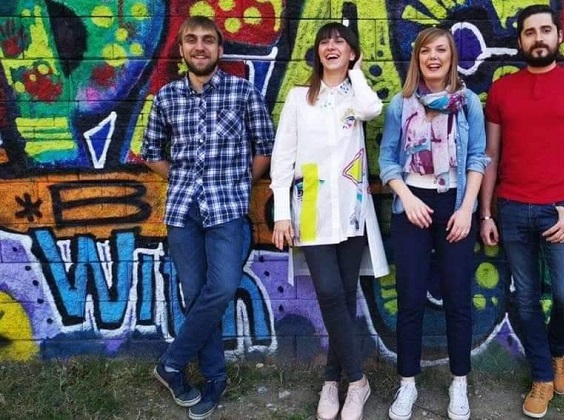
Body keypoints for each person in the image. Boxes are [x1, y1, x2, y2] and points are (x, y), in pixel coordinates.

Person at [140, 16, 274, 420]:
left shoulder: (242, 92)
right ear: (181, 49)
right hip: (182, 212)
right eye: (192, 40)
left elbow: (264, 148)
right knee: (196, 295)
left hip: (227, 210)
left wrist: (237, 183)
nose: (200, 47)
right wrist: (184, 178)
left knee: (222, 287)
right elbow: (152, 152)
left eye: (208, 40)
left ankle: (171, 363)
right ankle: (215, 378)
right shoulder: (166, 97)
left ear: (219, 48)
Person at [479, 4, 564, 419]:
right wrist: (486, 213)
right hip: (513, 209)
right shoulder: (502, 91)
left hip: (562, 212)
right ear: (520, 40)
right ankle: (541, 376)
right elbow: (491, 156)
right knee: (526, 299)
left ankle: (556, 352)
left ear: (558, 36)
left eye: (545, 30)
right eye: (530, 32)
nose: (538, 38)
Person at [270, 22, 388, 420]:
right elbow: (282, 159)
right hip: (312, 210)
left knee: (345, 296)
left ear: (352, 53)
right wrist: (282, 214)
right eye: (325, 42)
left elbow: (373, 109)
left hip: (352, 212)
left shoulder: (356, 96)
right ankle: (358, 381)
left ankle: (330, 381)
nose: (331, 47)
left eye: (340, 42)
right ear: (317, 52)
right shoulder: (298, 97)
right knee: (330, 294)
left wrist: (356, 71)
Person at [379, 27, 489, 420]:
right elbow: (387, 160)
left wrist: (467, 209)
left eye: (441, 50)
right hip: (412, 204)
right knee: (409, 297)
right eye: (426, 51)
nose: (433, 57)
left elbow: (477, 157)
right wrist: (407, 198)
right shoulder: (401, 104)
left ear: (451, 57)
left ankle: (459, 382)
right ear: (417, 58)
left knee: (458, 296)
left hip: (456, 204)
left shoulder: (468, 103)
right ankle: (407, 382)